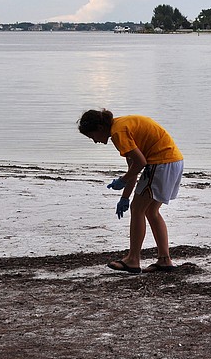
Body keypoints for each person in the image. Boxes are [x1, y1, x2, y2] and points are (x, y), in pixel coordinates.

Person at [78, 109, 184, 274]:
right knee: (151, 211)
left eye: (92, 136)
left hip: (160, 162)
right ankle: (164, 260)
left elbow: (140, 163)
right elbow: (134, 167)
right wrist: (124, 197)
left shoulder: (118, 132)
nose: (94, 141)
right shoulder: (120, 126)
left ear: (99, 128)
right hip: (173, 160)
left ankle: (133, 260)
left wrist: (123, 180)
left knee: (138, 210)